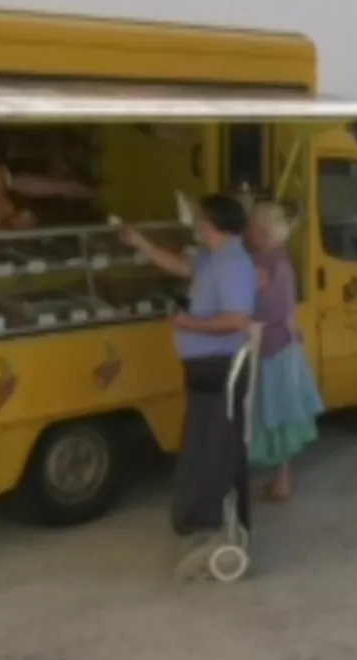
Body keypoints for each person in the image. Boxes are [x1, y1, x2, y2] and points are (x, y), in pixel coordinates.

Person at [123, 195, 260, 574]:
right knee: (202, 442)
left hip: (222, 367)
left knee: (216, 444)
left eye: (201, 219)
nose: (196, 224)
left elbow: (236, 319)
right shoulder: (211, 258)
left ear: (215, 223)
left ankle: (212, 520)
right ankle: (202, 518)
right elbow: (180, 265)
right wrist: (142, 244)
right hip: (204, 369)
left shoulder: (233, 264)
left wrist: (188, 326)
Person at [243, 201, 324, 503]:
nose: (247, 231)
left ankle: (281, 482)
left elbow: (256, 308)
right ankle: (281, 480)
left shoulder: (261, 264)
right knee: (284, 417)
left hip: (271, 348)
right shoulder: (279, 258)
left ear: (261, 231)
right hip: (287, 344)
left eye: (250, 226)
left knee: (272, 416)